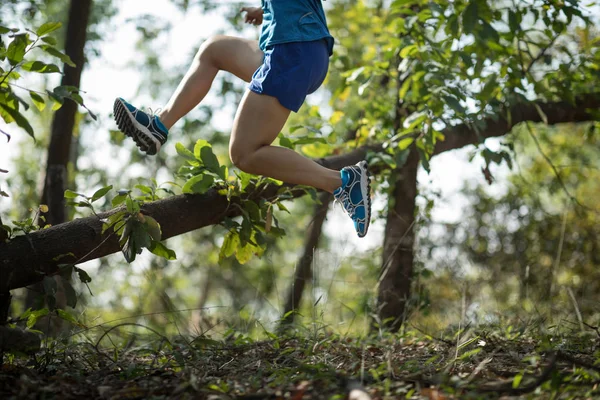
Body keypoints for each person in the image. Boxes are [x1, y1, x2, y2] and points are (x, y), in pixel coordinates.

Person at [112, 1, 371, 237]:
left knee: (244, 153)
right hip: (300, 46)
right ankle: (158, 126)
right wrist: (267, 9)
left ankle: (341, 182)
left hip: (293, 49)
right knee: (215, 50)